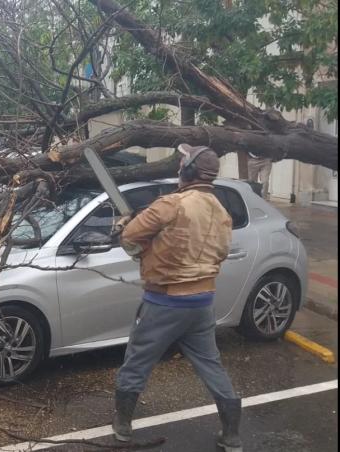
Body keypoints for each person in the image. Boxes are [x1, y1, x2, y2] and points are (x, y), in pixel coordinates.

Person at [111, 144, 242, 452]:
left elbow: (130, 237)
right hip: (201, 303)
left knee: (137, 361)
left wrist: (123, 225)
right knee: (211, 365)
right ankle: (232, 435)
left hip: (164, 302)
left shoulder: (171, 204)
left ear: (187, 172)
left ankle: (122, 427)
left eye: (182, 164)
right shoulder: (221, 212)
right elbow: (220, 252)